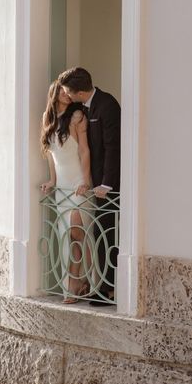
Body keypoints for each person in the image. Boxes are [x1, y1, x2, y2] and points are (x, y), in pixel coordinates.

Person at [58, 67, 120, 306]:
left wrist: (107, 183)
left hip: (108, 186)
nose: (65, 95)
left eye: (67, 91)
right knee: (98, 234)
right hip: (94, 185)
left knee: (108, 233)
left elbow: (113, 147)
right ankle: (103, 285)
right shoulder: (84, 108)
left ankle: (110, 290)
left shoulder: (107, 105)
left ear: (79, 91)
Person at [40, 80, 96, 304]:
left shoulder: (78, 116)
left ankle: (89, 282)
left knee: (78, 233)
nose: (65, 94)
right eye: (61, 90)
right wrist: (52, 180)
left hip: (79, 182)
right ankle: (75, 283)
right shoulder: (47, 119)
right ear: (54, 92)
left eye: (67, 91)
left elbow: (84, 150)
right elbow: (51, 155)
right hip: (62, 186)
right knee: (69, 237)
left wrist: (85, 179)